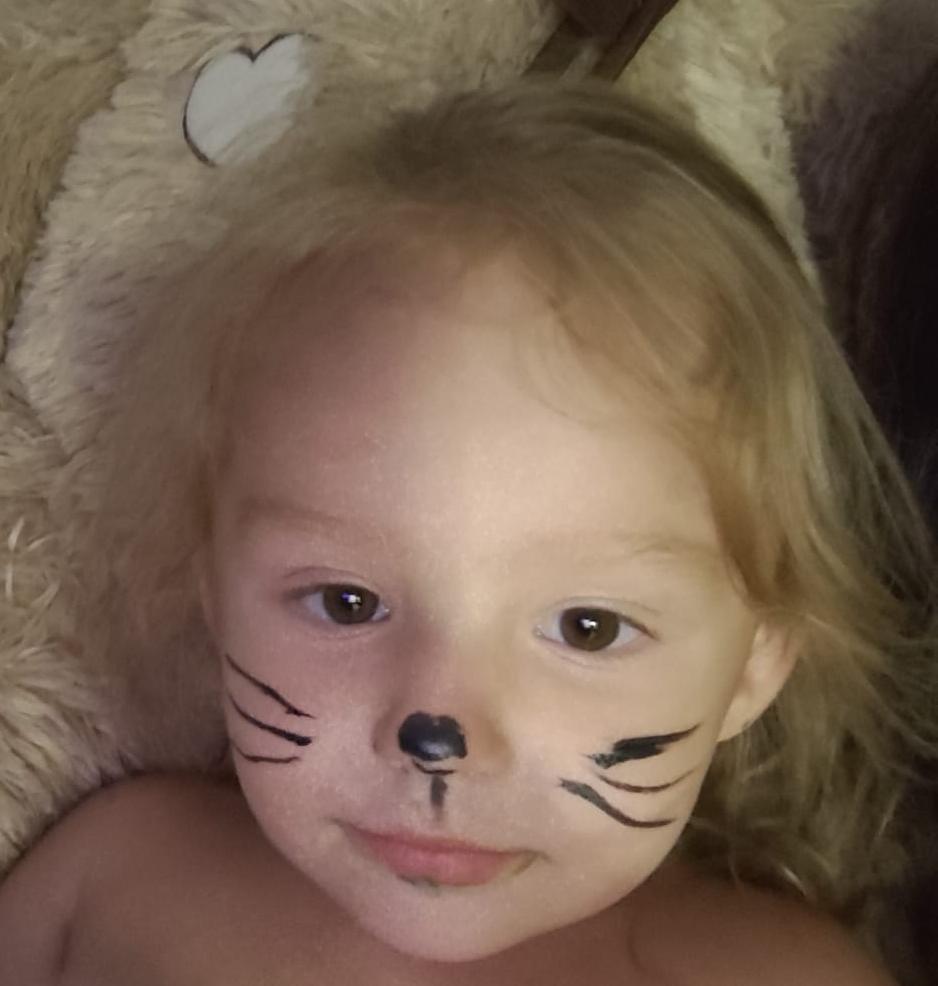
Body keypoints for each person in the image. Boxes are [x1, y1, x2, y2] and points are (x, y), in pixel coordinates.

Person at [1, 80, 933, 985]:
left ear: (757, 662)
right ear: (213, 584)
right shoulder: (108, 884)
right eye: (346, 602)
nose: (439, 734)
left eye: (589, 628)